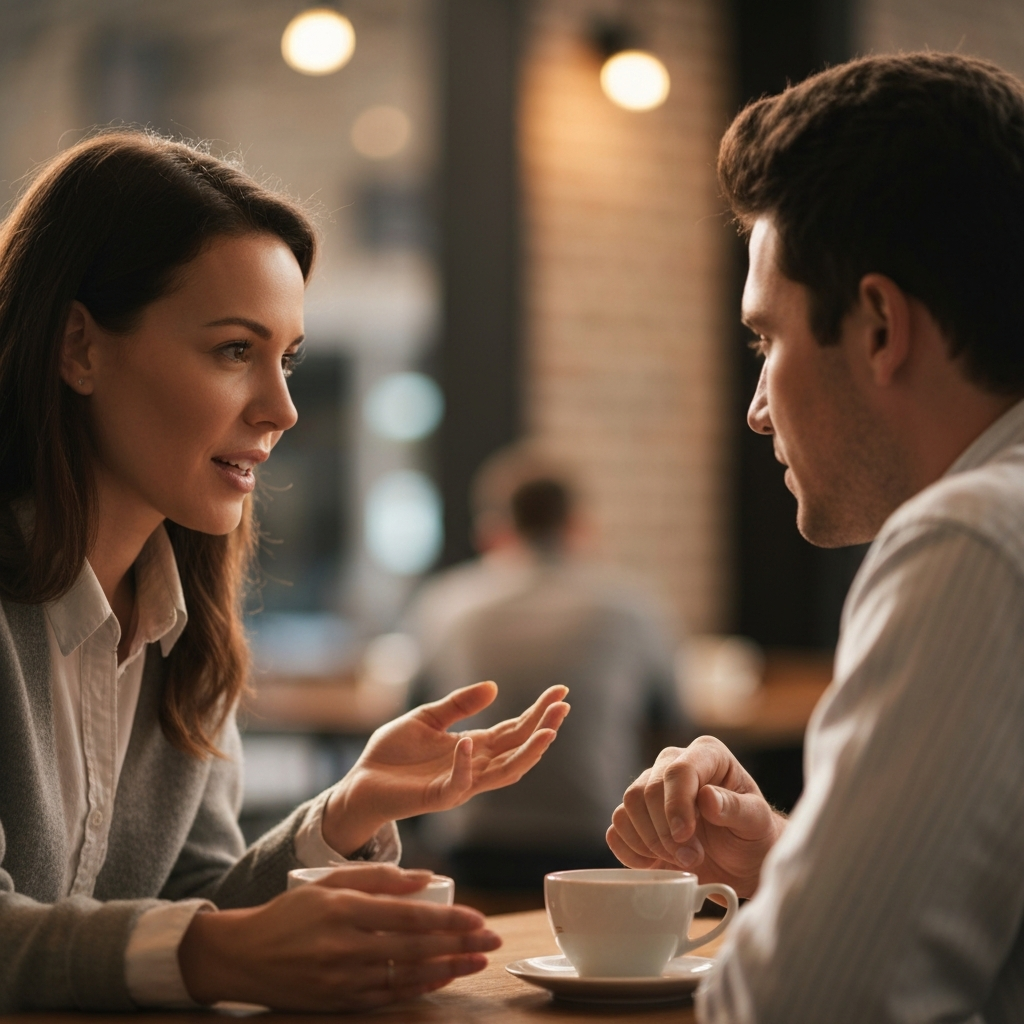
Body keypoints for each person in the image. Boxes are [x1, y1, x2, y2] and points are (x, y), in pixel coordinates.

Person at [0, 131, 569, 1013]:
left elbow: (194, 909)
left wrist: (344, 814)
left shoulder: (183, 628)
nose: (283, 408)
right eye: (236, 350)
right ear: (80, 347)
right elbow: (189, 946)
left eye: (288, 358)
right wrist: (211, 953)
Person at [609, 52, 1024, 1023]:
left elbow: (802, 1004)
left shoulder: (973, 541)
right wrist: (795, 859)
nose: (757, 409)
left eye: (766, 339)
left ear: (878, 324)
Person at [410, 445, 687, 890]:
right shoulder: (632, 606)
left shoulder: (446, 604)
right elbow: (671, 721)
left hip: (472, 848)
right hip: (599, 843)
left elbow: (412, 717)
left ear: (494, 528)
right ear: (577, 524)